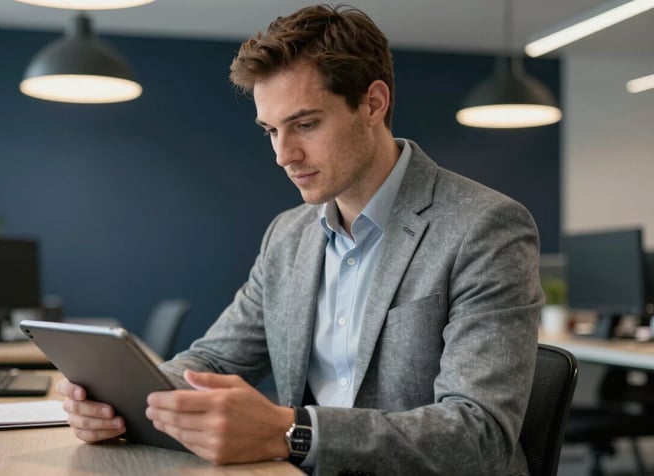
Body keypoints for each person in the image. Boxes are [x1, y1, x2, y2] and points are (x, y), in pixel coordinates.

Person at [56, 4, 543, 475]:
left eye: (305, 124)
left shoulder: (484, 226)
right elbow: (214, 359)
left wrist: (293, 432)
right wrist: (121, 400)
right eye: (270, 130)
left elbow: (479, 435)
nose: (283, 155)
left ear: (373, 103)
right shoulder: (288, 235)